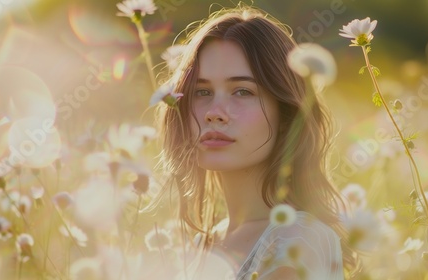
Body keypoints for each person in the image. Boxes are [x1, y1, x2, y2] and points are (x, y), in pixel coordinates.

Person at [152, 4, 358, 279]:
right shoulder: (202, 244)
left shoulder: (298, 240)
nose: (214, 113)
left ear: (286, 114)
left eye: (242, 91)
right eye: (202, 91)